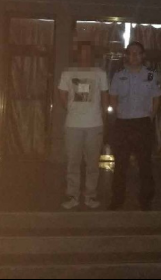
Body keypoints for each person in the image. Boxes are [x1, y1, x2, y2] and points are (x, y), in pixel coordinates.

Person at [107, 41, 161, 211]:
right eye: (131, 53)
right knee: (120, 164)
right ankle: (117, 199)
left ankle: (146, 200)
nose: (134, 56)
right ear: (127, 56)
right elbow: (113, 97)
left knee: (145, 164)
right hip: (123, 123)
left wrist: (150, 116)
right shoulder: (119, 75)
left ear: (143, 55)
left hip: (142, 123)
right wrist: (118, 113)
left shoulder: (151, 75)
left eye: (137, 53)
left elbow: (157, 98)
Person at [58, 42, 109, 210]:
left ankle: (90, 196)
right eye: (82, 51)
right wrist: (72, 110)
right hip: (73, 125)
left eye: (89, 51)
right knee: (73, 162)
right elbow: (62, 96)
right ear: (77, 54)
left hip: (94, 124)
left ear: (93, 54)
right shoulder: (68, 73)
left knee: (92, 164)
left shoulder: (100, 73)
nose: (85, 55)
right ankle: (72, 195)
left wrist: (103, 116)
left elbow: (105, 97)